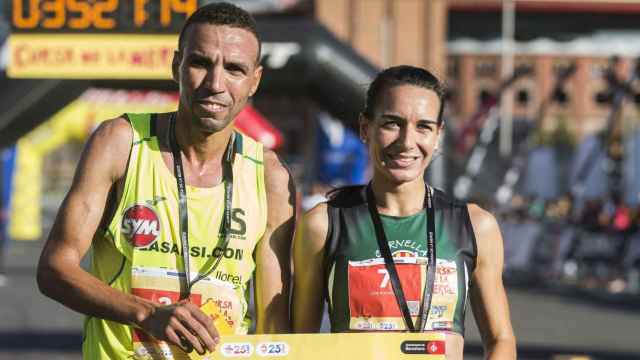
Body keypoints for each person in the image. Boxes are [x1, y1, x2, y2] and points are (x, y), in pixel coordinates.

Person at [37, 3, 295, 359]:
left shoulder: (270, 176)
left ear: (255, 81)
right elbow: (54, 268)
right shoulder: (120, 143)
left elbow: (274, 322)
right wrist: (146, 314)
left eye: (234, 69)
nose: (215, 83)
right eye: (201, 63)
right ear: (177, 66)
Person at [293, 65, 516, 359]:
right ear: (365, 128)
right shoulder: (323, 224)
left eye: (423, 126)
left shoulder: (476, 225)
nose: (407, 141)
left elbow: (501, 339)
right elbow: (299, 344)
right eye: (392, 123)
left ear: (438, 136)